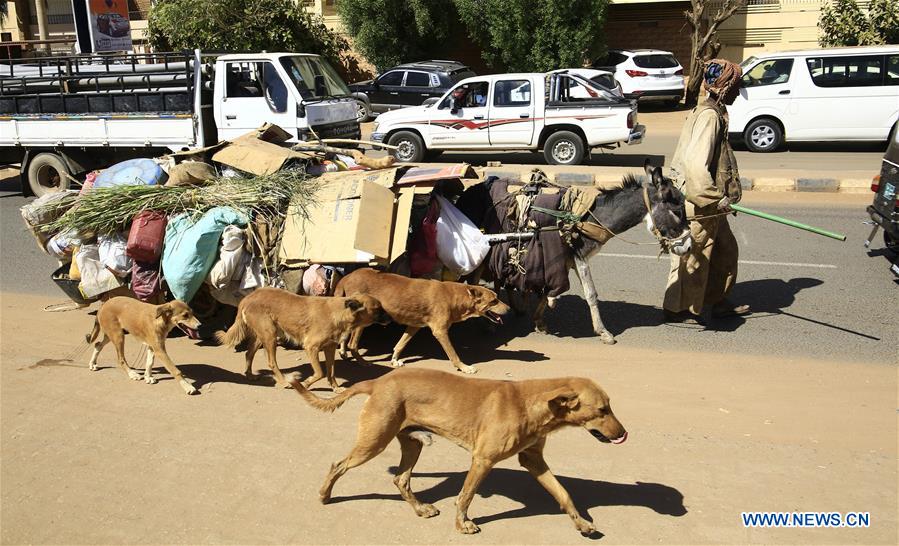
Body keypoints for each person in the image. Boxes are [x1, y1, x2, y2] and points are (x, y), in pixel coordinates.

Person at [662, 59, 751, 325]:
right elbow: (695, 165)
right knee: (694, 259)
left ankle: (717, 300)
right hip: (701, 202)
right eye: (736, 85)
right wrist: (714, 198)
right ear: (724, 87)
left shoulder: (712, 110)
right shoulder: (709, 117)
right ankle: (678, 309)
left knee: (725, 252)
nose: (739, 91)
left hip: (712, 203)